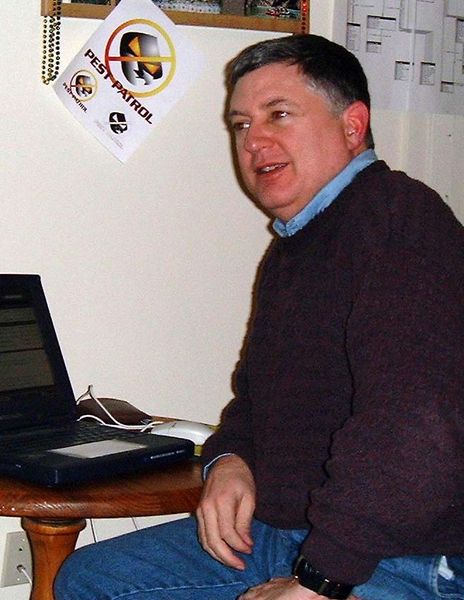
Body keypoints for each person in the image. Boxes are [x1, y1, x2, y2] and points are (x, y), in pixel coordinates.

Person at [54, 34, 464, 600]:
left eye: (279, 114)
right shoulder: (294, 247)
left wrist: (319, 581)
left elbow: (415, 426)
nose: (253, 141)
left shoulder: (401, 219)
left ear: (352, 126)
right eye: (241, 124)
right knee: (91, 579)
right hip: (290, 532)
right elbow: (255, 400)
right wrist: (229, 460)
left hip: (403, 557)